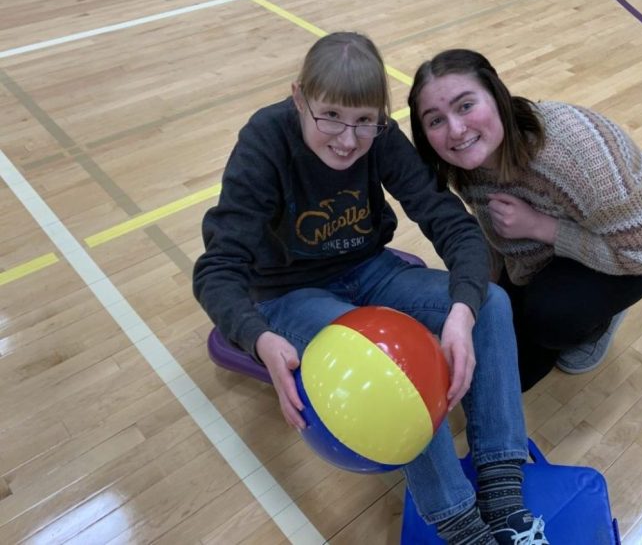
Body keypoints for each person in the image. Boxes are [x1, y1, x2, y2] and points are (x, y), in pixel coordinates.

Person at [193, 33, 549, 545]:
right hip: (289, 291)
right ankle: (459, 524)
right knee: (385, 365)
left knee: (490, 302)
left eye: (364, 121)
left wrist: (462, 310)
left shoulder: (379, 135)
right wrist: (258, 337)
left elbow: (450, 222)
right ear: (299, 98)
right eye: (330, 116)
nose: (347, 138)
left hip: (370, 268)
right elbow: (217, 268)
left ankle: (502, 493)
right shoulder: (266, 140)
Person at [408, 49, 642, 392]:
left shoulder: (571, 151)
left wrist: (539, 226)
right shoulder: (463, 163)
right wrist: (484, 301)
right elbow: (494, 237)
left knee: (551, 321)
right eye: (435, 120)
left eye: (466, 105)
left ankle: (603, 317)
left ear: (497, 97)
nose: (455, 130)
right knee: (514, 372)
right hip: (548, 244)